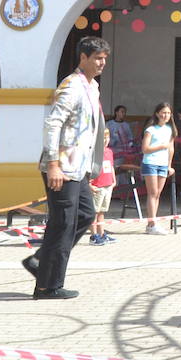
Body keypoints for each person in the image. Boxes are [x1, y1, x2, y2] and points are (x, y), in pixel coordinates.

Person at [26, 36, 110, 300]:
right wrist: (53, 164)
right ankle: (47, 286)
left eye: (104, 58)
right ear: (82, 58)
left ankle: (41, 261)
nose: (101, 63)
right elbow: (53, 124)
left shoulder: (92, 86)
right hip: (62, 166)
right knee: (62, 224)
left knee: (85, 214)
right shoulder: (71, 85)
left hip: (79, 168)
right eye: (97, 57)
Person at [140, 102, 176, 235]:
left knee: (158, 194)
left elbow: (171, 148)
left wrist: (169, 165)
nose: (165, 115)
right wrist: (161, 146)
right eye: (163, 112)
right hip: (150, 163)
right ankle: (152, 223)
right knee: (152, 193)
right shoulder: (150, 129)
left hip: (163, 164)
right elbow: (145, 149)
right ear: (157, 113)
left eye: (168, 113)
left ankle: (152, 223)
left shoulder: (170, 129)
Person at [88, 133, 117, 246]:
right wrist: (90, 184)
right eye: (102, 138)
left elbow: (111, 166)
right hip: (97, 186)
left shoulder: (109, 151)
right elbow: (89, 169)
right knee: (94, 212)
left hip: (107, 185)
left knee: (102, 211)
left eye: (107, 138)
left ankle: (101, 234)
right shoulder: (94, 153)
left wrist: (113, 180)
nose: (105, 140)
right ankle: (93, 236)